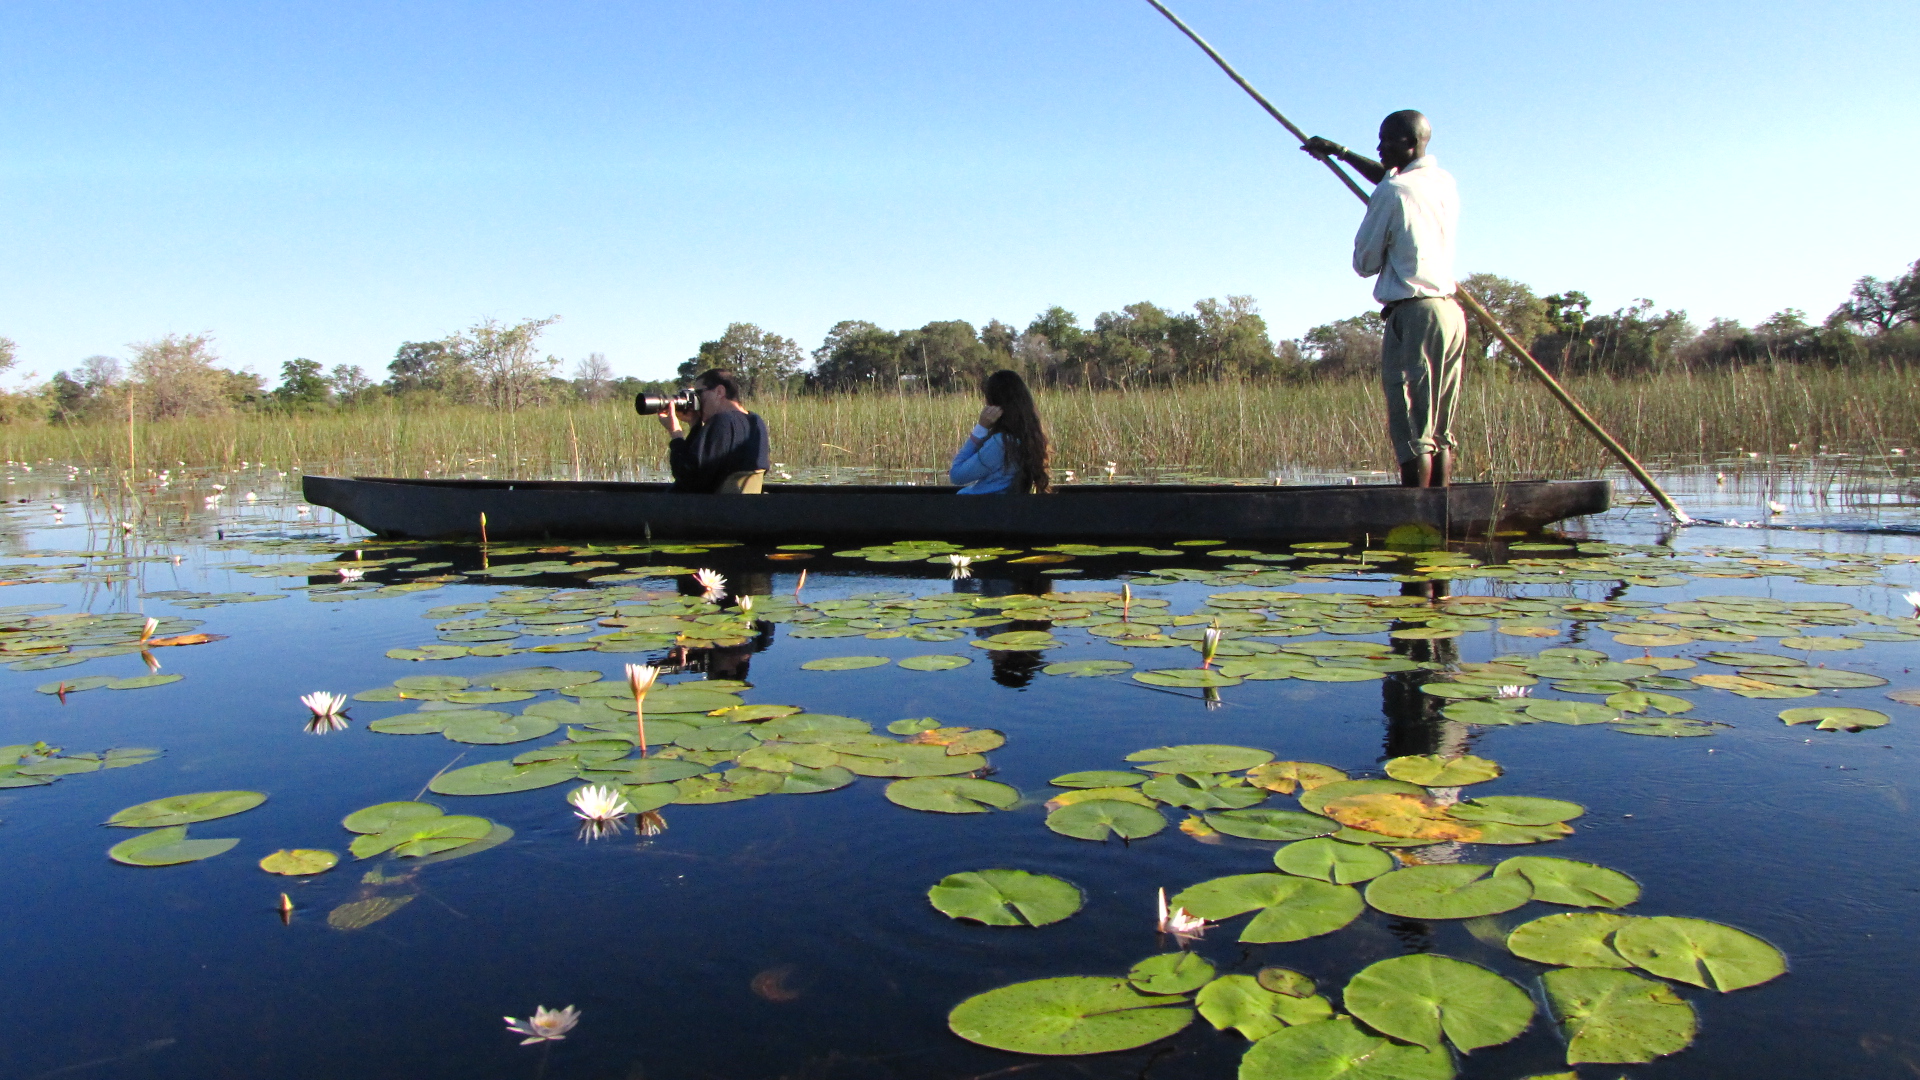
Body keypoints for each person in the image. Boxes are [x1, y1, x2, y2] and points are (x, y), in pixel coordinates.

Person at [1304, 110, 1464, 488]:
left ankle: (1413, 512)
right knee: (1437, 430)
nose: (1379, 148)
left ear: (1410, 144)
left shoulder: (1392, 193)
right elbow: (1390, 179)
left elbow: (1365, 262)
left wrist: (1384, 231)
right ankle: (1441, 508)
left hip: (1413, 313)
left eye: (1387, 141)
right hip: (1449, 314)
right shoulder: (1442, 182)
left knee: (1411, 427)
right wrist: (1341, 153)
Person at [657, 369, 771, 493]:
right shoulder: (755, 421)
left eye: (699, 394)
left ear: (719, 391)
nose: (697, 401)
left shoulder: (722, 422)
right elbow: (702, 466)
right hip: (740, 503)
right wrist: (695, 424)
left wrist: (675, 432)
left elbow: (687, 477)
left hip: (713, 504)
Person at [949, 370, 1052, 494]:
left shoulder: (1000, 443)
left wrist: (980, 429)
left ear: (994, 405)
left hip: (979, 504)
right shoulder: (1029, 438)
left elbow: (957, 475)